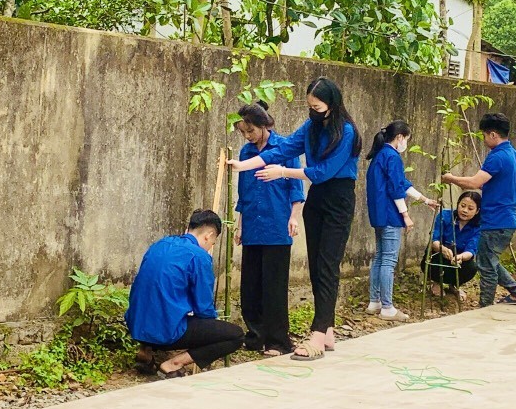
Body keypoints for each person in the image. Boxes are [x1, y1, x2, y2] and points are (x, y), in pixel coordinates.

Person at [229, 78, 361, 361]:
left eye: (317, 106)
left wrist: (284, 173)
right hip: (318, 199)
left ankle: (316, 334)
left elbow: (323, 171)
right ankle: (327, 330)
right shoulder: (310, 127)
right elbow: (282, 149)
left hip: (339, 198)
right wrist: (242, 165)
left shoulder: (346, 132)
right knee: (316, 266)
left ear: (332, 104)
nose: (312, 111)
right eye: (309, 106)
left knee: (327, 265)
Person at [126, 210, 245, 377]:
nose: (211, 246)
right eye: (213, 242)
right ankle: (174, 364)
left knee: (158, 304)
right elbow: (203, 308)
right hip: (165, 330)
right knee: (235, 335)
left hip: (136, 324)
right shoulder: (199, 256)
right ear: (208, 235)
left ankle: (145, 351)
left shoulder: (160, 245)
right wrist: (210, 335)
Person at [233, 101, 304, 356]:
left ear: (263, 125)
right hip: (252, 223)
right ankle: (255, 336)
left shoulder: (285, 148)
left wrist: (294, 217)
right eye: (243, 133)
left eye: (250, 131)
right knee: (250, 285)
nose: (247, 136)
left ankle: (277, 341)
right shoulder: (245, 153)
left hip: (277, 224)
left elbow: (296, 187)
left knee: (273, 286)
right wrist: (240, 225)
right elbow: (243, 192)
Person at [441, 113, 516, 307]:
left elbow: (473, 182)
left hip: (496, 219)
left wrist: (450, 178)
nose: (483, 139)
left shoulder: (497, 156)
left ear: (493, 135)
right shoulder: (514, 154)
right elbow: (491, 185)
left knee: (487, 266)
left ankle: (485, 306)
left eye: (484, 135)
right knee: (488, 260)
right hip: (506, 218)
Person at [364, 121, 439, 322]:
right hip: (390, 215)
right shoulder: (392, 156)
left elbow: (401, 183)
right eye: (406, 139)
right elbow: (396, 188)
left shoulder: (380, 155)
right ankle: (387, 307)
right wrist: (405, 214)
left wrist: (424, 200)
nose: (405, 143)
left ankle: (375, 301)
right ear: (400, 137)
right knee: (388, 260)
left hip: (378, 215)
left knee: (380, 257)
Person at [422, 191, 482, 296]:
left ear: (477, 211)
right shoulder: (444, 216)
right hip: (439, 255)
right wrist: (442, 249)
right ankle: (436, 283)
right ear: (458, 204)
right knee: (434, 255)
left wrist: (461, 257)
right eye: (462, 206)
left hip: (458, 260)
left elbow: (471, 250)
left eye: (470, 208)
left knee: (471, 267)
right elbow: (434, 240)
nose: (465, 210)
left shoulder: (478, 227)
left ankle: (454, 285)